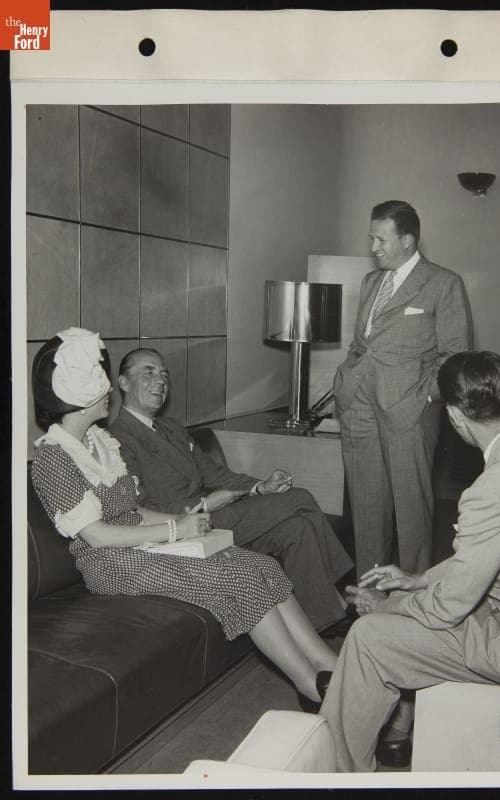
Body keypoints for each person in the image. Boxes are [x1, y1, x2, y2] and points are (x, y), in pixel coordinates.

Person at [30, 328, 338, 709]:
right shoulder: (53, 457)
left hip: (141, 544)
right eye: (101, 381)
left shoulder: (99, 442)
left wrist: (187, 523)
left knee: (257, 564)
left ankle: (329, 663)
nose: (109, 389)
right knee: (240, 579)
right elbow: (96, 536)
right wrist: (174, 530)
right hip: (111, 563)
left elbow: (132, 511)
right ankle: (310, 686)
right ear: (78, 395)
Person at [320, 350, 500, 771]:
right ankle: (396, 733)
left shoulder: (492, 489)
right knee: (403, 614)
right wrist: (417, 580)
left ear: (454, 415)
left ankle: (334, 773)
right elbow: (493, 556)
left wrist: (386, 607)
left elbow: (449, 607)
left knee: (369, 637)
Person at [109, 347, 353, 633]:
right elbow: (138, 509)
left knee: (297, 528)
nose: (160, 380)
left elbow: (215, 473)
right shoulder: (118, 440)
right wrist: (206, 504)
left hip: (215, 520)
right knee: (300, 498)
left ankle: (324, 618)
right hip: (184, 529)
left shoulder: (171, 428)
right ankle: (344, 594)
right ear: (123, 383)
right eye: (148, 372)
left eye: (164, 373)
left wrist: (261, 487)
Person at [333, 200, 473, 578]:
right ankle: (371, 592)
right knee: (367, 506)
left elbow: (455, 356)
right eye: (371, 237)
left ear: (408, 240)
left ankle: (411, 598)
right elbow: (361, 344)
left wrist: (425, 396)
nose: (373, 246)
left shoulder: (443, 283)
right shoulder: (370, 282)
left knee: (412, 509)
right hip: (359, 406)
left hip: (409, 412)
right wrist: (345, 383)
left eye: (380, 239)